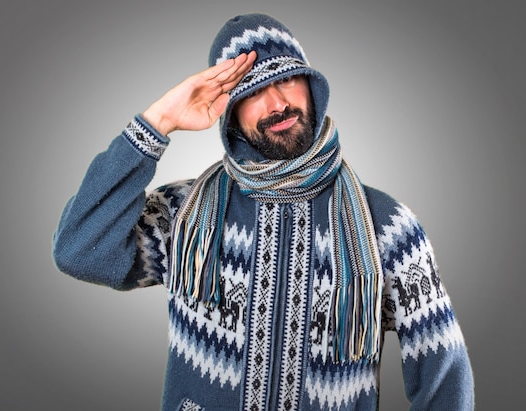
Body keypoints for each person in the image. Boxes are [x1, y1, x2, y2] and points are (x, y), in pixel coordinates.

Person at [53, 13, 474, 411]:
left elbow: (442, 366)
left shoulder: (386, 225)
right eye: (252, 91)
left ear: (312, 88)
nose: (276, 103)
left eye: (288, 79)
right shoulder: (183, 213)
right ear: (230, 112)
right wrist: (157, 122)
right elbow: (78, 249)